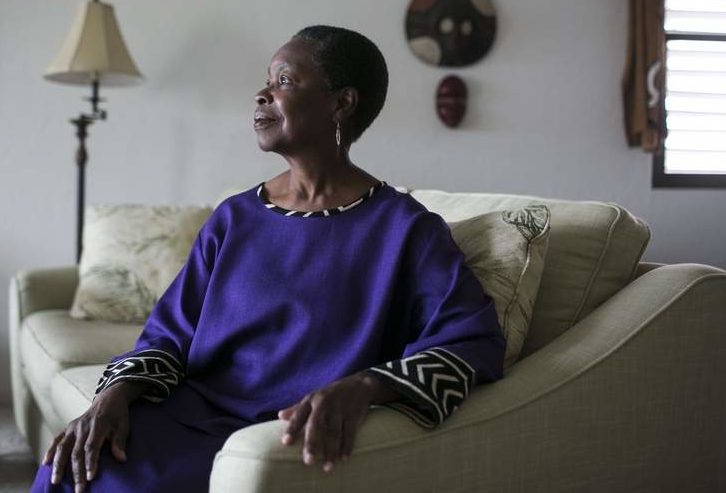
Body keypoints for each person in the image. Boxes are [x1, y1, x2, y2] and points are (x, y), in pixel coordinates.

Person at [30, 25, 505, 492]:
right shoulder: (234, 217)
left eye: (284, 81)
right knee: (73, 468)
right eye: (267, 81)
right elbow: (168, 334)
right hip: (188, 414)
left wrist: (364, 387)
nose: (262, 94)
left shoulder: (406, 228)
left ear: (342, 102)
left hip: (284, 436)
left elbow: (472, 343)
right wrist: (112, 397)